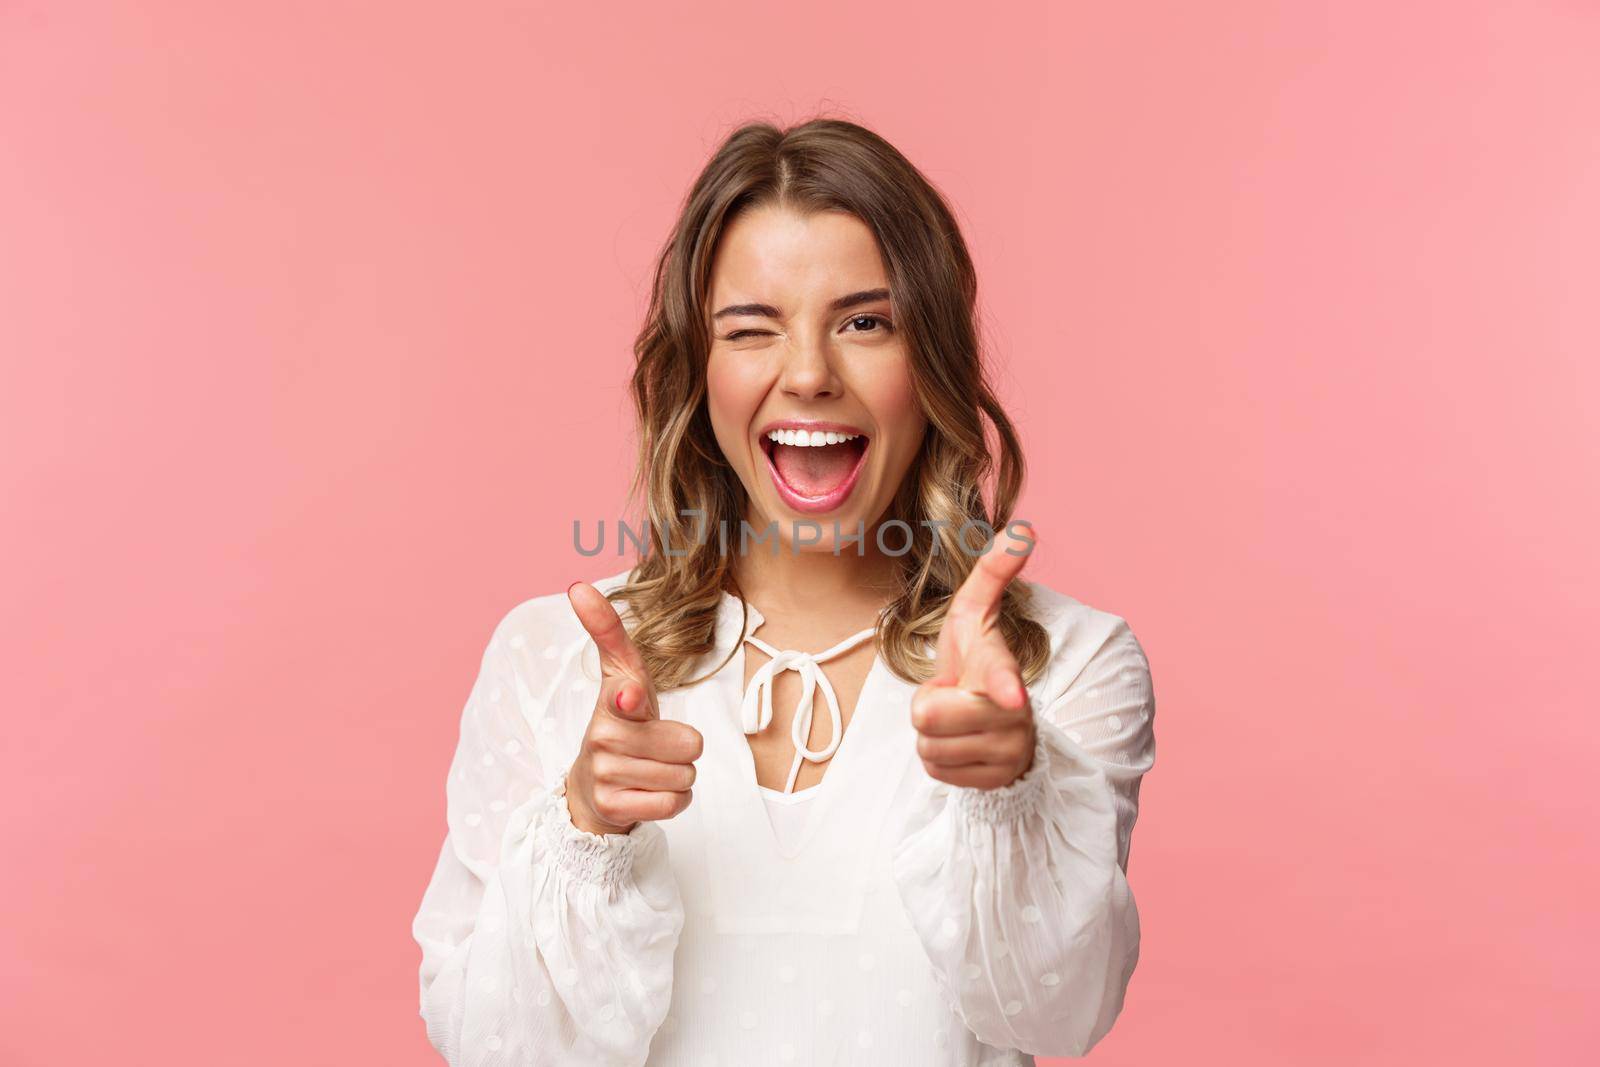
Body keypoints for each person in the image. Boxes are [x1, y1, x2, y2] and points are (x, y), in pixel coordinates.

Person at [411, 117, 1157, 1066]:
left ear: (930, 362)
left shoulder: (1066, 662)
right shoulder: (549, 658)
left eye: (864, 323)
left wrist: (1010, 792)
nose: (808, 374)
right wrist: (587, 828)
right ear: (699, 371)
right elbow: (487, 1046)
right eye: (751, 330)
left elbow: (1059, 1018)